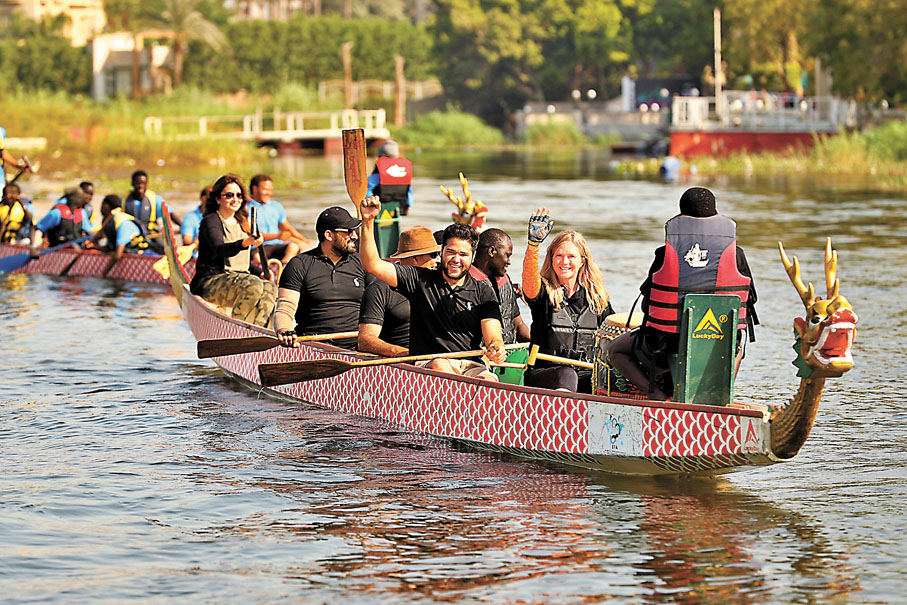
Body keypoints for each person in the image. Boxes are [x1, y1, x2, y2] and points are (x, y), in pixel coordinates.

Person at [607, 187, 758, 400]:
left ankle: (658, 397)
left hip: (663, 347)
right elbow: (748, 302)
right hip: (718, 347)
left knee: (616, 350)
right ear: (715, 214)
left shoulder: (664, 253)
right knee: (737, 345)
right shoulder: (737, 254)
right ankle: (720, 397)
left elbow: (648, 304)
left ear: (681, 215)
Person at [356, 196, 505, 380]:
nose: (456, 259)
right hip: (429, 364)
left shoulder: (484, 291)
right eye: (451, 252)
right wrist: (368, 221)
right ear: (441, 252)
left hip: (471, 366)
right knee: (440, 364)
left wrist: (496, 348)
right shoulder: (419, 279)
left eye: (463, 254)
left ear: (472, 257)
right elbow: (372, 264)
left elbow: (493, 336)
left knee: (490, 379)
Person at [521, 208, 614, 393]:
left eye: (571, 257)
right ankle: (565, 411)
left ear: (582, 261)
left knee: (603, 378)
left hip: (585, 373)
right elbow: (529, 283)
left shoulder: (597, 299)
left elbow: (613, 334)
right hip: (545, 374)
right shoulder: (544, 293)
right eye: (559, 256)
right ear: (551, 259)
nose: (564, 262)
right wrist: (533, 246)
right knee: (567, 374)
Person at [273, 205, 367, 350]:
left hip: (356, 347)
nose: (354, 236)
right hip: (313, 347)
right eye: (348, 231)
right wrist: (284, 330)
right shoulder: (299, 264)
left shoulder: (362, 263)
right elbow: (285, 307)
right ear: (329, 235)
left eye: (354, 231)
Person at [189, 174, 276, 328]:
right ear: (218, 199)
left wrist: (260, 271)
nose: (235, 199)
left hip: (240, 278)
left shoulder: (242, 223)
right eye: (229, 195)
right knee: (253, 285)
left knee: (270, 288)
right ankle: (235, 329)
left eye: (239, 195)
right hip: (211, 281)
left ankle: (258, 331)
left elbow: (242, 261)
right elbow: (220, 250)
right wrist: (245, 242)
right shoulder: (211, 221)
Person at [357, 226, 441, 357]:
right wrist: (405, 354)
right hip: (404, 361)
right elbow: (365, 341)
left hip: (438, 357)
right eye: (433, 255)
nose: (438, 260)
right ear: (415, 259)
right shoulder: (379, 288)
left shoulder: (437, 284)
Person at [469, 228, 530, 345]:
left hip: (509, 351)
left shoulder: (505, 280)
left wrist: (540, 344)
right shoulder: (467, 284)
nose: (509, 262)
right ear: (491, 252)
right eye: (507, 255)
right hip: (483, 353)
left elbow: (519, 324)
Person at [247, 174, 311, 264]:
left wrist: (305, 240)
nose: (269, 193)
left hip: (276, 246)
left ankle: (283, 267)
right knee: (257, 257)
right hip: (257, 247)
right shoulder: (246, 207)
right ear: (255, 189)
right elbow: (253, 233)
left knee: (293, 247)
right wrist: (277, 236)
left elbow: (287, 228)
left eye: (270, 190)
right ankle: (267, 268)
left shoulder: (276, 206)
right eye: (265, 190)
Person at [85, 195, 155, 259]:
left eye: (103, 204)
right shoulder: (109, 222)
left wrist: (104, 270)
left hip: (142, 256)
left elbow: (117, 256)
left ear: (107, 206)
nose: (101, 207)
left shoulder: (122, 223)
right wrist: (94, 246)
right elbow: (110, 248)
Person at [124, 170, 177, 252]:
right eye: (138, 183)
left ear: (146, 184)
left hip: (150, 237)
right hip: (131, 239)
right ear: (132, 183)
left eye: (143, 183)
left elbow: (170, 215)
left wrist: (182, 227)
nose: (140, 186)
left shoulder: (155, 200)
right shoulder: (124, 201)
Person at [30, 187, 91, 255]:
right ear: (79, 201)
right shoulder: (57, 213)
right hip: (57, 252)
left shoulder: (82, 213)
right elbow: (36, 228)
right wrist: (33, 246)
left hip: (78, 251)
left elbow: (89, 231)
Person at [367, 139, 413, 216]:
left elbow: (367, 190)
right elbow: (409, 193)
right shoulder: (404, 171)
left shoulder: (378, 175)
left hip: (379, 212)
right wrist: (407, 206)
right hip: (398, 211)